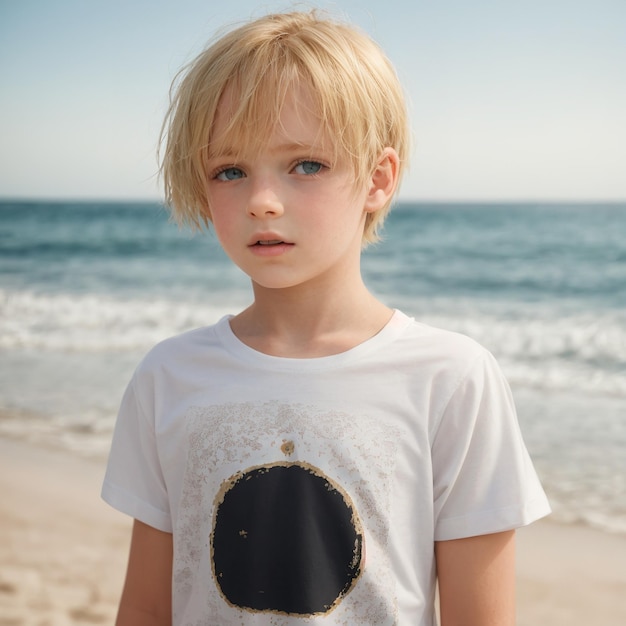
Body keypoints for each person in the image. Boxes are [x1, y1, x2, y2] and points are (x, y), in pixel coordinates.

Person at [102, 10, 550, 625]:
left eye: (306, 165)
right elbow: (147, 608)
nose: (262, 200)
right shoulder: (169, 376)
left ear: (378, 178)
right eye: (229, 170)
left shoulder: (451, 378)